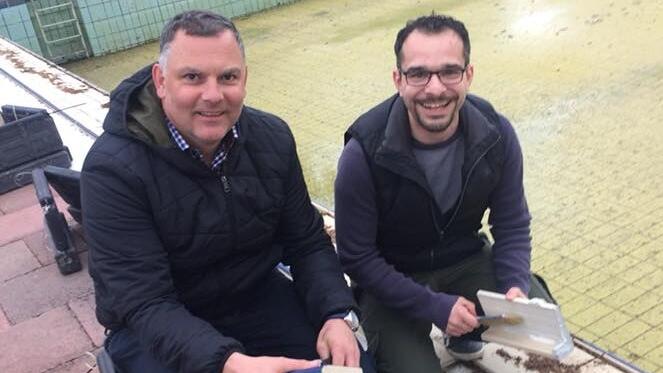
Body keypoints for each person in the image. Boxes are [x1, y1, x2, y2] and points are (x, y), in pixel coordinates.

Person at [81, 10, 373, 373]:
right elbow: (143, 301)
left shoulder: (273, 138)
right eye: (192, 77)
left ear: (244, 79)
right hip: (158, 323)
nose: (213, 95)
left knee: (354, 366)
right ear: (160, 80)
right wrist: (228, 363)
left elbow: (306, 241)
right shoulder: (111, 171)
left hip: (256, 297)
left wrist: (336, 313)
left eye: (228, 77)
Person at [335, 14, 552, 373]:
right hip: (394, 275)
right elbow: (357, 258)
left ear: (468, 74)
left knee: (542, 321)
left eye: (449, 71)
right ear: (398, 80)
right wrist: (435, 307)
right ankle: (413, 335)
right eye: (418, 74)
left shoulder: (497, 135)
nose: (435, 89)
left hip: (465, 258)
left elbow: (511, 224)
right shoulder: (363, 154)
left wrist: (514, 288)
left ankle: (468, 334)